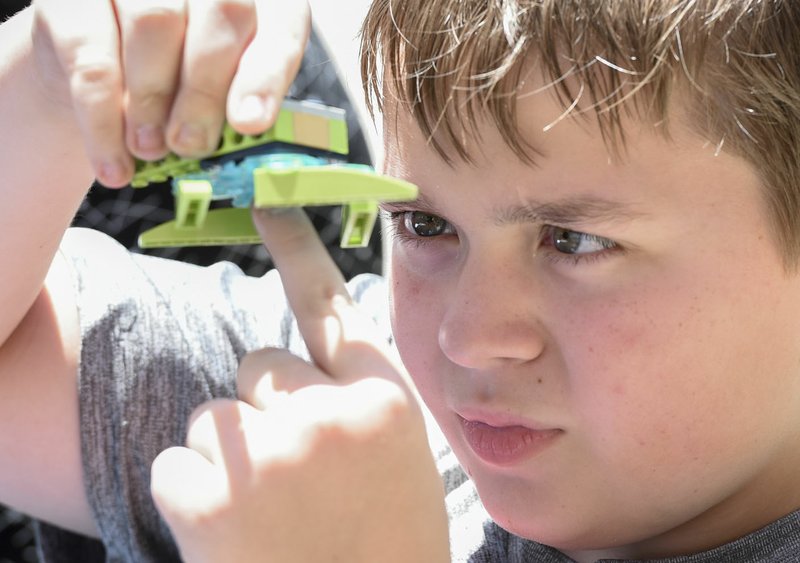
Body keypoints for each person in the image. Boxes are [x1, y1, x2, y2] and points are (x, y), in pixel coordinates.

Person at [1, 0, 799, 562]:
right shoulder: (356, 401)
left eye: (575, 240)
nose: (466, 334)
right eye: (425, 226)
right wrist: (43, 81)